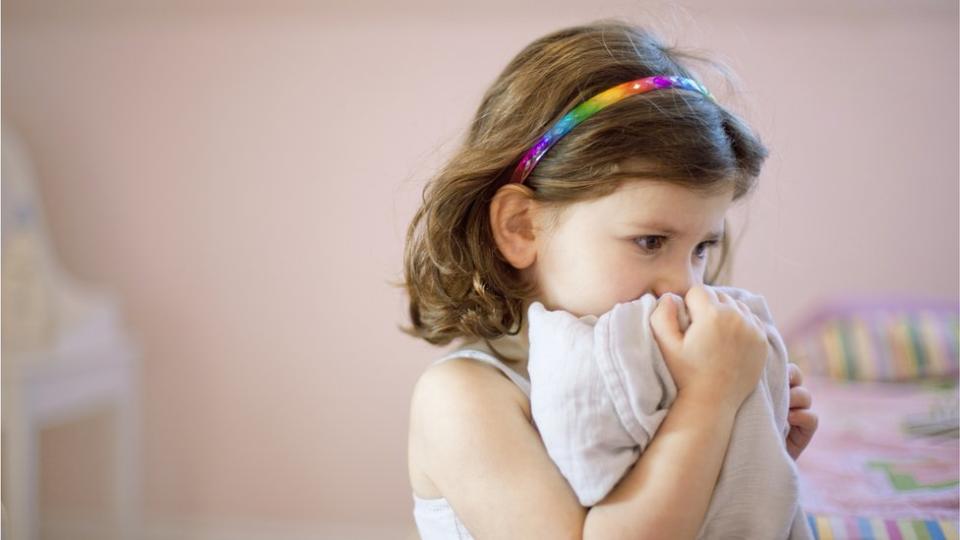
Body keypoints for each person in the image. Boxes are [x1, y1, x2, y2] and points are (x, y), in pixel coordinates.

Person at [402, 18, 819, 539]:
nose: (686, 285)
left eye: (702, 248)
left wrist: (751, 449)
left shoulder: (651, 374)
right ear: (520, 227)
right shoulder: (463, 398)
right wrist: (711, 398)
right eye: (650, 242)